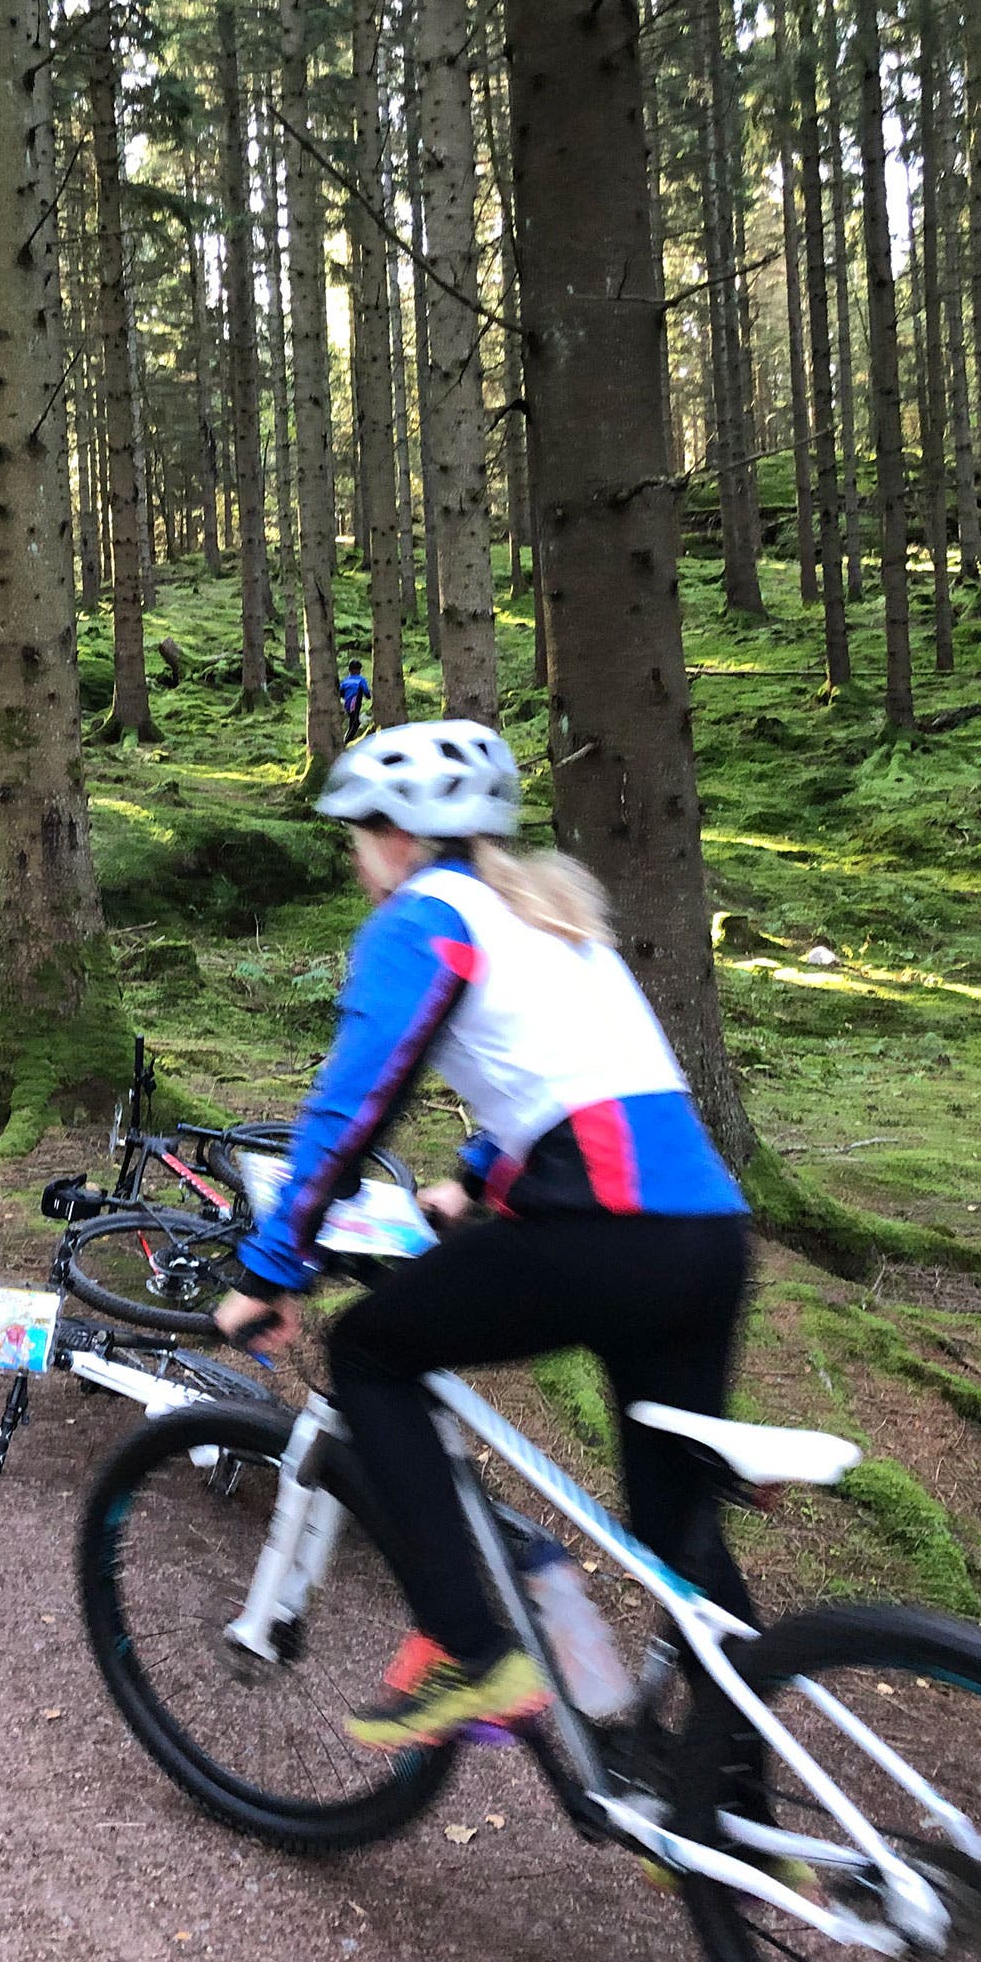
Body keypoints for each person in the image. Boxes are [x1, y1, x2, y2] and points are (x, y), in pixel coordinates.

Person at [215, 720, 751, 1755]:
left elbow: (353, 1105)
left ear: (397, 836)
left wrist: (273, 1267)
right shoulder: (551, 917)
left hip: (604, 1232)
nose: (357, 860)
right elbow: (578, 1081)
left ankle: (469, 1652)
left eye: (359, 835)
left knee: (368, 1349)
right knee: (676, 1538)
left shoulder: (426, 918)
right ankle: (731, 1813)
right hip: (705, 1237)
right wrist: (473, 1181)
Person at [338, 659, 370, 744]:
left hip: (347, 704)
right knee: (355, 722)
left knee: (353, 722)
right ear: (359, 670)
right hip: (355, 703)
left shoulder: (345, 681)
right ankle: (346, 741)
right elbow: (366, 692)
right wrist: (368, 696)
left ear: (349, 670)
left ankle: (347, 739)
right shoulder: (361, 680)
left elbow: (340, 692)